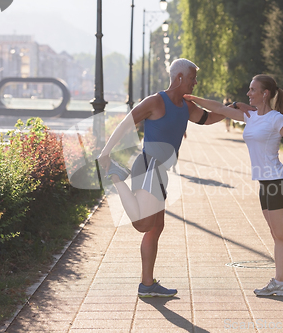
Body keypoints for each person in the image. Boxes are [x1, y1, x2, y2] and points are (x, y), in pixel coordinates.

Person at [98, 59, 246, 298]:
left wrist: (234, 107)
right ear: (179, 78)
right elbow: (126, 123)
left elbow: (207, 119)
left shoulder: (185, 106)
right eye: (192, 78)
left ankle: (147, 284)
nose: (195, 82)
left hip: (162, 171)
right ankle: (115, 175)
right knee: (143, 224)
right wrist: (106, 152)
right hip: (148, 167)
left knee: (156, 227)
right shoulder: (156, 101)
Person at [184, 74, 283, 297]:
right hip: (264, 183)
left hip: (277, 181)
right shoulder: (249, 115)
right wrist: (192, 98)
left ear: (264, 93)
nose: (248, 93)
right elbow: (219, 108)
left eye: (252, 89)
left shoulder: (277, 119)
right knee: (277, 234)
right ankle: (280, 283)